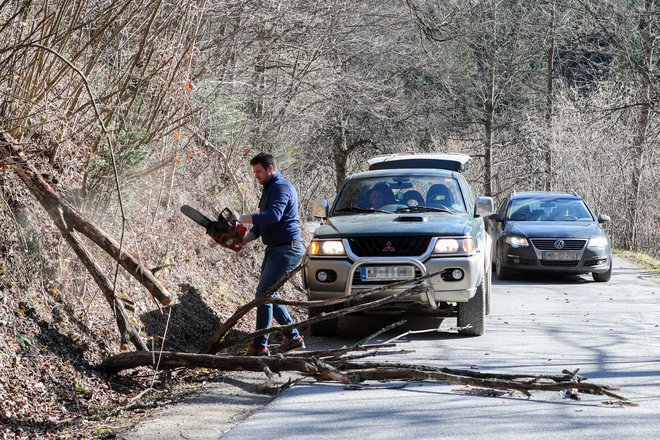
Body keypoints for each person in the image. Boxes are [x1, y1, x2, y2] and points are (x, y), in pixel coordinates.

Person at [231, 152, 305, 356]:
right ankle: (293, 338)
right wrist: (244, 240)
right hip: (275, 248)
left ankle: (259, 346)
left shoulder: (281, 187)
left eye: (259, 171)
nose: (256, 176)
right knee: (270, 295)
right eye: (254, 172)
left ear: (270, 168)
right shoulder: (269, 189)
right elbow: (263, 224)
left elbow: (274, 215)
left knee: (263, 295)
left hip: (287, 248)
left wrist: (242, 218)